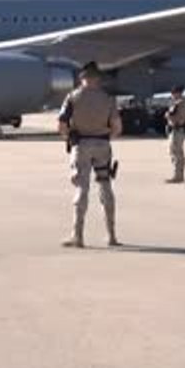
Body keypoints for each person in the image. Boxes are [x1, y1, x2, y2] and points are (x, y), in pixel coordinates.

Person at [58, 62, 122, 248]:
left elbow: (62, 125)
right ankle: (112, 235)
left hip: (82, 145)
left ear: (82, 78)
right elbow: (117, 128)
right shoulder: (108, 99)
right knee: (105, 186)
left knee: (81, 188)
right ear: (98, 78)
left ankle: (78, 235)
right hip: (102, 144)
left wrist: (70, 137)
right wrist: (104, 136)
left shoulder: (73, 97)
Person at [165, 86, 185, 183]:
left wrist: (168, 116)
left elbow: (179, 119)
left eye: (173, 93)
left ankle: (178, 176)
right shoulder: (178, 103)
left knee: (177, 153)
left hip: (177, 130)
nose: (172, 95)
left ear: (178, 93)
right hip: (176, 130)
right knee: (175, 152)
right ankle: (178, 175)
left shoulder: (180, 104)